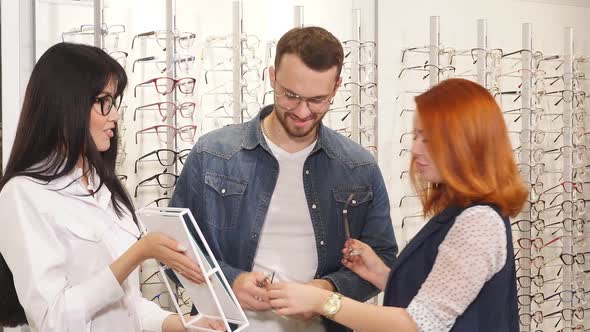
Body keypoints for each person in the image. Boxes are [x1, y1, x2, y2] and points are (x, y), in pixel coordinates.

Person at [169, 26, 397, 332]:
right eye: (291, 96)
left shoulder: (358, 167)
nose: (302, 112)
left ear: (337, 87)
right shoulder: (213, 154)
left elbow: (382, 259)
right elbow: (170, 250)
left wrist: (328, 289)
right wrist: (228, 281)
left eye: (318, 100)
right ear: (272, 77)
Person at [266, 78, 527, 332]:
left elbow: (419, 324)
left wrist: (323, 301)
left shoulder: (479, 222)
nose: (415, 149)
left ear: (465, 142)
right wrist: (380, 274)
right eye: (415, 136)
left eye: (427, 138)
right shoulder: (460, 214)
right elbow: (442, 297)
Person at [0, 43, 225, 332]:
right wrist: (137, 254)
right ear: (67, 104)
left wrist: (183, 325)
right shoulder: (23, 195)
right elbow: (52, 320)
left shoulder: (104, 187)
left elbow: (129, 306)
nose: (115, 115)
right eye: (104, 101)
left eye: (114, 101)